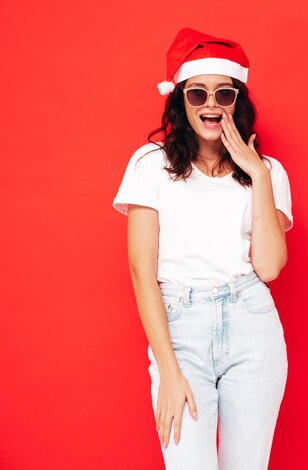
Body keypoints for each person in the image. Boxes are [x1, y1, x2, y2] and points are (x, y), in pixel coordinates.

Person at [112, 28, 293, 470]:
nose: (211, 104)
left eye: (223, 94)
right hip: (181, 327)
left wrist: (259, 177)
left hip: (252, 323)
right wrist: (169, 372)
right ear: (181, 101)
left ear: (238, 101)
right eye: (198, 94)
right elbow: (142, 272)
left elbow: (269, 268)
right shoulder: (149, 164)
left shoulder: (268, 171)